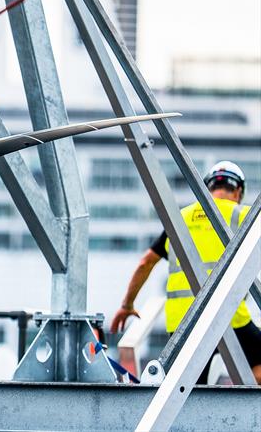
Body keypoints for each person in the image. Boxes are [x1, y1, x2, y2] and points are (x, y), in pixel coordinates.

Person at [110, 161, 261, 384]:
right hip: (229, 318)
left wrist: (127, 306)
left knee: (186, 389)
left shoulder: (180, 218)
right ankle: (239, 399)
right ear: (238, 191)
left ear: (208, 189)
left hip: (184, 323)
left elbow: (145, 263)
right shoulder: (245, 216)